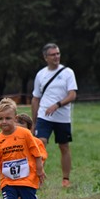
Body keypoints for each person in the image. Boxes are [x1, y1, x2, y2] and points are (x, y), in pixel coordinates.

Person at [31, 43, 77, 188]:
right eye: (53, 54)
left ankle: (66, 179)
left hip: (62, 117)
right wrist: (34, 122)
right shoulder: (41, 74)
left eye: (58, 53)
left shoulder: (68, 72)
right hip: (44, 116)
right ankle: (37, 178)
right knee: (40, 143)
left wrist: (57, 105)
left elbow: (72, 95)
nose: (56, 57)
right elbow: (35, 98)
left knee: (64, 147)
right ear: (46, 57)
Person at [14, 113, 47, 199]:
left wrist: (39, 171)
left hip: (31, 174)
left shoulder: (37, 142)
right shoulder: (12, 142)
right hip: (17, 172)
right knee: (15, 189)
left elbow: (42, 157)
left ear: (30, 130)